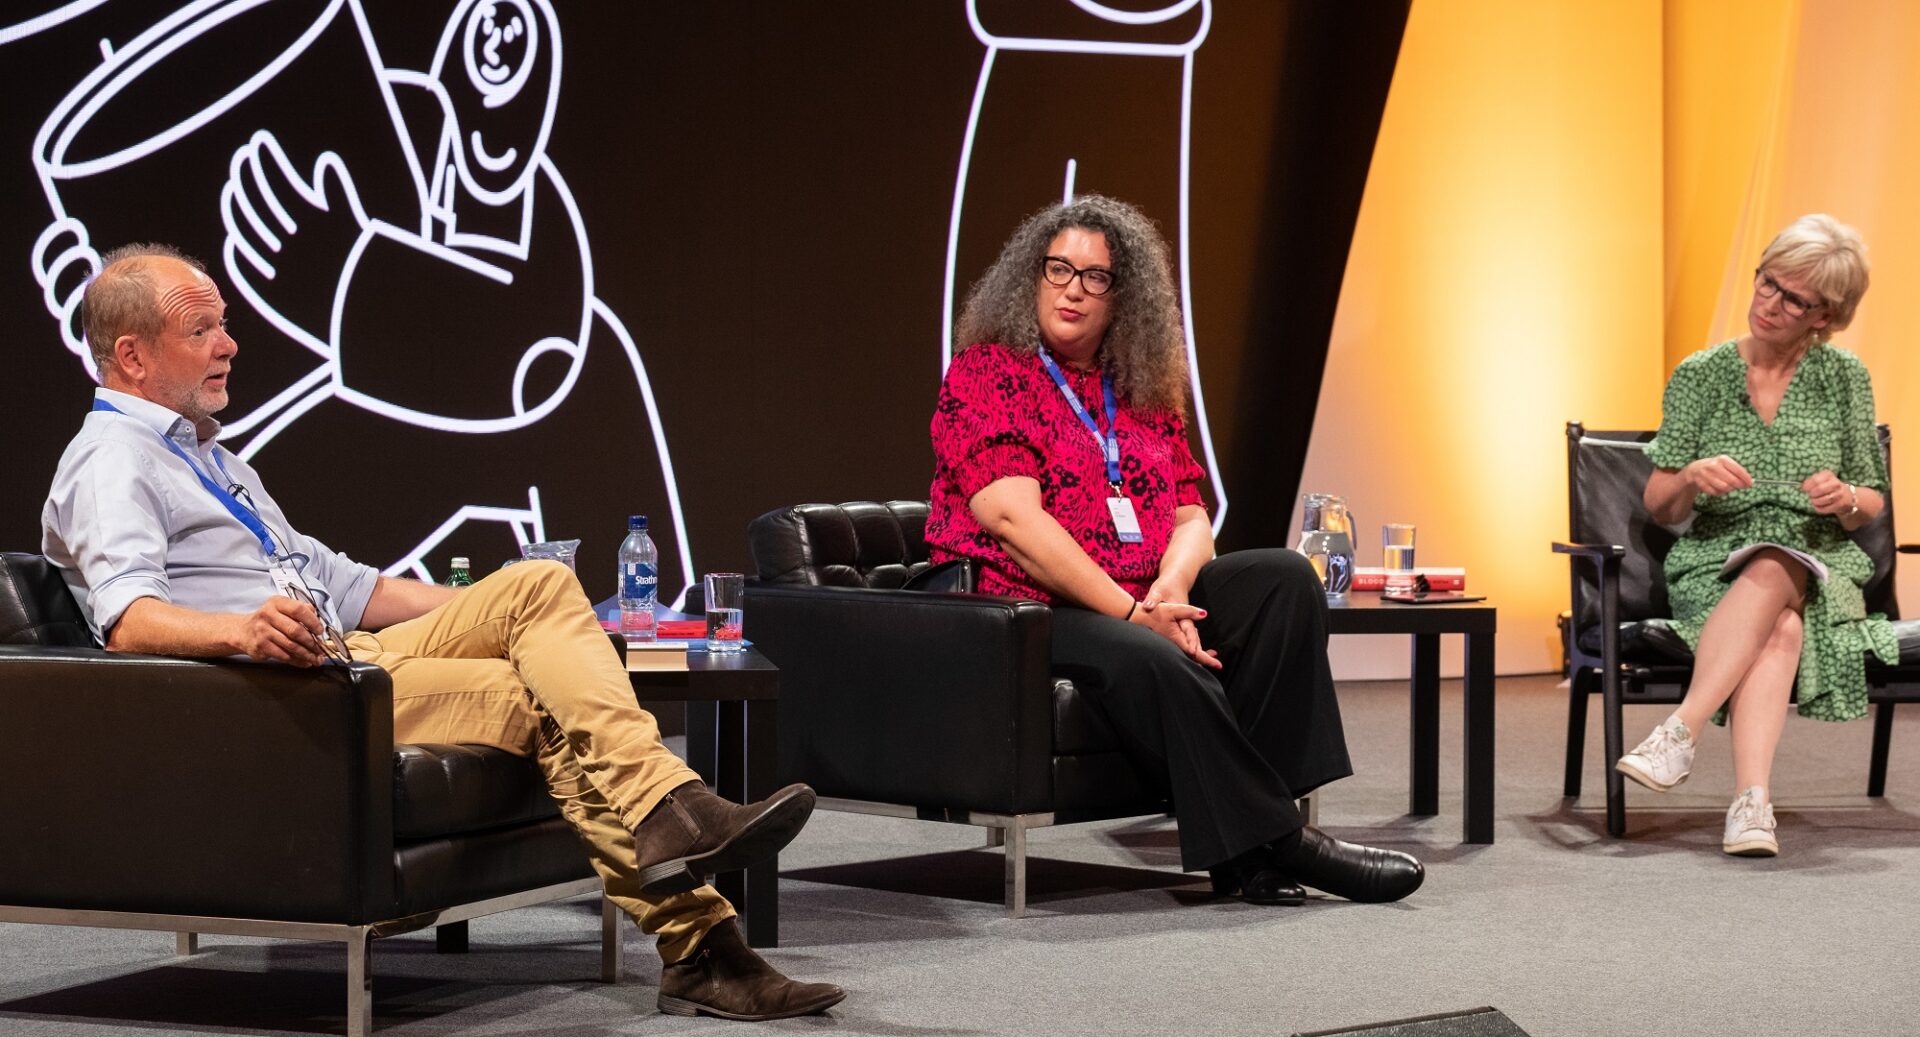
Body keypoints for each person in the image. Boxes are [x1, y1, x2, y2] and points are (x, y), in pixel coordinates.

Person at [40, 244, 844, 1021]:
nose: (230, 341)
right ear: (132, 356)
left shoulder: (211, 459)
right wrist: (244, 631)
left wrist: (513, 619)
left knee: (539, 592)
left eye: (224, 322)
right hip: (282, 690)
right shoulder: (113, 459)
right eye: (202, 329)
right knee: (540, 668)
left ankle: (700, 919)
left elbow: (351, 585)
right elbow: (129, 621)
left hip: (342, 658)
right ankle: (696, 901)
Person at [926, 194, 1423, 905]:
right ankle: (1281, 842)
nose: (1072, 287)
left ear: (1124, 298)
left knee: (1284, 580)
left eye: (1095, 277)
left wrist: (1170, 585)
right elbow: (1012, 521)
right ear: (1028, 276)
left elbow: (1192, 512)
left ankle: (1248, 851)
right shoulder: (988, 373)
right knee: (1153, 654)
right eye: (1058, 268)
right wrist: (1134, 615)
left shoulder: (1140, 391)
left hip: (1139, 594)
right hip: (1024, 609)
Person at [1616, 214, 1893, 857]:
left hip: (1819, 554)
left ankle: (1680, 734)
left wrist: (1845, 497)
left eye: (1794, 298)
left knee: (1779, 560)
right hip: (1715, 556)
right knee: (1781, 620)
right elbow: (1659, 505)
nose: (1770, 303)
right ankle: (1750, 806)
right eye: (1769, 282)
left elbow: (1870, 500)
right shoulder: (1700, 374)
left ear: (1824, 315)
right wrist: (1690, 475)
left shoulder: (1843, 377)